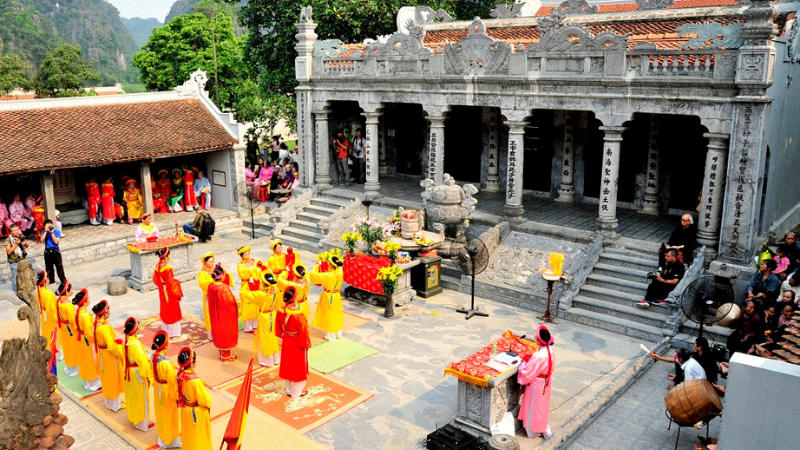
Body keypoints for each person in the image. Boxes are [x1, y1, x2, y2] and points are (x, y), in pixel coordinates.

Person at [518, 325, 555, 440]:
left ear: (539, 341)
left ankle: (532, 431)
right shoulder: (550, 350)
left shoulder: (538, 356)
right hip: (546, 382)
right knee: (542, 407)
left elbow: (526, 371)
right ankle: (542, 427)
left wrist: (523, 363)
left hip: (537, 384)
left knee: (533, 407)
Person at [277, 287, 311, 398]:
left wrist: (284, 334)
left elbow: (278, 329)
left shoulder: (280, 310)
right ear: (295, 298)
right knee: (297, 366)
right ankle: (296, 392)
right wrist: (306, 344)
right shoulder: (297, 314)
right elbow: (304, 330)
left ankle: (288, 389)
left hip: (287, 339)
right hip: (297, 342)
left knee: (287, 364)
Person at [92, 300, 125, 412]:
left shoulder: (97, 324)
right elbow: (111, 346)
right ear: (105, 313)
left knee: (105, 377)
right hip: (109, 355)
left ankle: (108, 402)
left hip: (102, 354)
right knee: (112, 378)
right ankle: (115, 404)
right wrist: (120, 353)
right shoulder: (105, 328)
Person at [151, 331, 181, 448]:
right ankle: (171, 441)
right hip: (166, 391)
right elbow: (173, 382)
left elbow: (151, 372)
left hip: (158, 387)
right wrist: (177, 396)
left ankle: (162, 437)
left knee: (160, 414)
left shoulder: (154, 356)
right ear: (165, 345)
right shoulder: (167, 363)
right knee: (170, 415)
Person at [177, 348, 212, 450]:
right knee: (198, 437)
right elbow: (204, 399)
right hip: (195, 412)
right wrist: (208, 399)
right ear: (191, 363)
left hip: (185, 409)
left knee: (188, 435)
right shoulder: (195, 380)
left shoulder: (180, 375)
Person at [123, 317, 153, 432]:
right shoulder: (136, 344)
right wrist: (147, 375)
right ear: (135, 329)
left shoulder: (126, 341)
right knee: (141, 398)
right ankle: (141, 423)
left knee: (132, 397)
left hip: (128, 372)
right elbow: (143, 363)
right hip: (136, 374)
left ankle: (134, 418)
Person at [207, 263, 239, 362]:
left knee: (218, 332)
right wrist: (237, 302)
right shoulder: (223, 288)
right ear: (222, 276)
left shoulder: (211, 286)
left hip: (215, 313)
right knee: (226, 333)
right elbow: (230, 301)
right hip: (225, 315)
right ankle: (226, 356)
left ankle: (222, 354)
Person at [310, 254, 345, 341]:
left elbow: (313, 275)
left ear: (330, 265)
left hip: (329, 297)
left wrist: (317, 264)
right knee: (336, 315)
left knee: (329, 316)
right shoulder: (340, 272)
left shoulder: (328, 275)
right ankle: (338, 334)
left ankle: (331, 336)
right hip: (336, 296)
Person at [73, 290, 102, 391]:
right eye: (88, 298)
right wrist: (96, 339)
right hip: (87, 341)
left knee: (85, 360)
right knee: (91, 361)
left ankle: (87, 383)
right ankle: (93, 384)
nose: (89, 299)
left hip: (81, 339)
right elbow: (89, 332)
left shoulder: (78, 312)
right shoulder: (84, 315)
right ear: (85, 302)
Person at [153, 247, 184, 338]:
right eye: (169, 255)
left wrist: (161, 285)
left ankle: (166, 329)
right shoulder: (168, 268)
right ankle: (174, 332)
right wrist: (177, 293)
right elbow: (171, 284)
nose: (170, 257)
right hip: (169, 293)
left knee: (165, 310)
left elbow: (155, 279)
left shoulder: (157, 266)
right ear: (166, 257)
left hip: (162, 291)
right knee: (172, 311)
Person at [237, 246, 265, 333]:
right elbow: (243, 274)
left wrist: (256, 266)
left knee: (255, 304)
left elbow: (262, 266)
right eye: (245, 254)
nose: (248, 255)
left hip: (255, 284)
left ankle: (255, 324)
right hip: (246, 285)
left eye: (248, 253)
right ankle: (247, 326)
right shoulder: (240, 265)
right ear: (242, 256)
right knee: (247, 305)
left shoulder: (254, 261)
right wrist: (251, 268)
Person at [255, 272, 281, 367]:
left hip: (264, 317)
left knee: (265, 338)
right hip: (272, 314)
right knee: (273, 337)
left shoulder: (260, 294)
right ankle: (276, 358)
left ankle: (268, 361)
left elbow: (245, 295)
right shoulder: (275, 291)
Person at [56, 281, 79, 376]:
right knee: (73, 347)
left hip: (64, 328)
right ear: (67, 291)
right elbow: (72, 320)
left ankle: (69, 365)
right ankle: (75, 368)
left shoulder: (59, 301)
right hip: (70, 328)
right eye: (71, 289)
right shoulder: (68, 305)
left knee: (67, 347)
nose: (72, 291)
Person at [6, 223, 31, 293]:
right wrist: (16, 244)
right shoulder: (8, 240)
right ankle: (15, 292)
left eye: (17, 230)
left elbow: (26, 246)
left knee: (23, 275)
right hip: (14, 261)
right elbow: (9, 251)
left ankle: (24, 289)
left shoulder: (19, 237)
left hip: (21, 260)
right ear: (11, 232)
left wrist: (25, 243)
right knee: (15, 277)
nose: (17, 232)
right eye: (15, 231)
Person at [37, 271, 58, 351]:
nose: (49, 280)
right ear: (44, 282)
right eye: (48, 278)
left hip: (44, 316)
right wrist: (57, 318)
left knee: (46, 333)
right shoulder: (48, 294)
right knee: (53, 334)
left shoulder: (39, 292)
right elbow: (51, 309)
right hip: (50, 318)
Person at [41, 219, 66, 285]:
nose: (48, 227)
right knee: (49, 268)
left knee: (59, 268)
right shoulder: (44, 232)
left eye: (49, 225)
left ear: (52, 225)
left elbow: (56, 241)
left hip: (56, 252)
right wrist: (46, 232)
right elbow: (41, 239)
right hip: (47, 252)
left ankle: (63, 281)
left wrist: (52, 233)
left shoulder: (57, 232)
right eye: (46, 226)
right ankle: (51, 281)